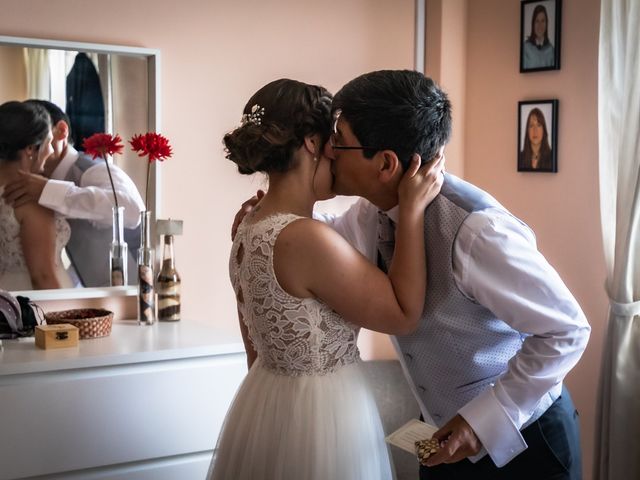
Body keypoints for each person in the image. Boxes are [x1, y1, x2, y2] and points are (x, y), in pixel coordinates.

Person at [236, 70, 590, 480]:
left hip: (524, 444)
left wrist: (483, 421)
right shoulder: (372, 210)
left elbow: (568, 330)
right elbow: (326, 245)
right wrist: (268, 223)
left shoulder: (478, 233)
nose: (330, 149)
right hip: (439, 440)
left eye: (340, 140)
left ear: (385, 163)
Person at [209, 78, 444, 480]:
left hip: (266, 403)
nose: (339, 154)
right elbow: (403, 315)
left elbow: (255, 352)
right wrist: (411, 211)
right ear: (312, 144)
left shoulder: (248, 228)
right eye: (333, 139)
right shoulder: (305, 239)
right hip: (323, 415)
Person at [1, 100, 145, 287]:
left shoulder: (92, 170)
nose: (49, 148)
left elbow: (133, 211)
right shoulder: (27, 188)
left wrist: (48, 191)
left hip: (128, 291)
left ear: (61, 130)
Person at [0, 101, 73, 290]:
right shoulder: (31, 199)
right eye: (49, 142)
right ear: (31, 149)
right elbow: (43, 277)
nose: (50, 151)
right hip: (36, 304)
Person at [522, 4, 555, 69]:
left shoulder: (551, 50)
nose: (540, 25)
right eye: (537, 21)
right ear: (533, 24)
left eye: (543, 21)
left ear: (546, 23)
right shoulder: (525, 48)